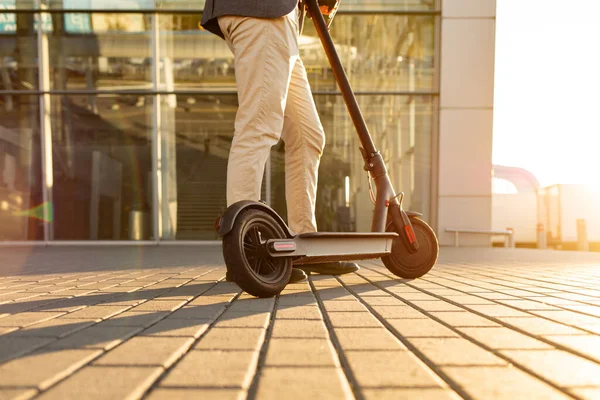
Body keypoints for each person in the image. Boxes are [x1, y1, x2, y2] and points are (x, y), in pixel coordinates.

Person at [201, 0, 359, 283]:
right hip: (262, 12)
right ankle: (244, 253)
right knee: (258, 126)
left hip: (278, 18)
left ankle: (303, 245)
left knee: (307, 134)